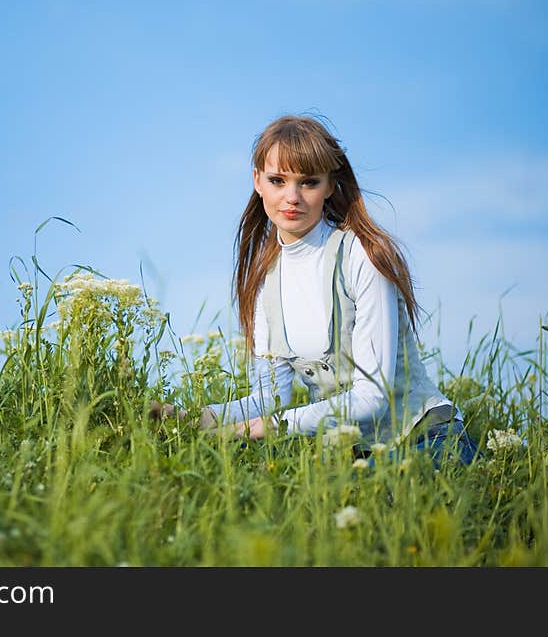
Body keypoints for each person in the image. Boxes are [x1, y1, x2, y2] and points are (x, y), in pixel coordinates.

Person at [190, 113, 479, 467]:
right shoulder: (266, 281)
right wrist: (196, 419)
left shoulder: (363, 256)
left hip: (428, 440)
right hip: (359, 455)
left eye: (308, 182)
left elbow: (373, 397)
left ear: (330, 186)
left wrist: (265, 428)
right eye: (278, 180)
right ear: (257, 182)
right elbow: (269, 399)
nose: (291, 197)